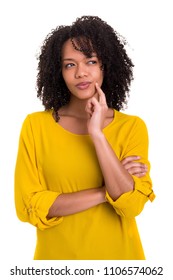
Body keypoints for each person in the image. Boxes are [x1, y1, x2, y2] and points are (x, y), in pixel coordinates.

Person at [14, 15, 155, 260]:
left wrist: (97, 135)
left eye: (90, 61)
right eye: (70, 64)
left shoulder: (131, 127)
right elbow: (29, 207)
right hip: (56, 265)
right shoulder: (35, 126)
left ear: (105, 66)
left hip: (119, 265)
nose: (81, 73)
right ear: (58, 71)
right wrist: (105, 192)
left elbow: (131, 205)